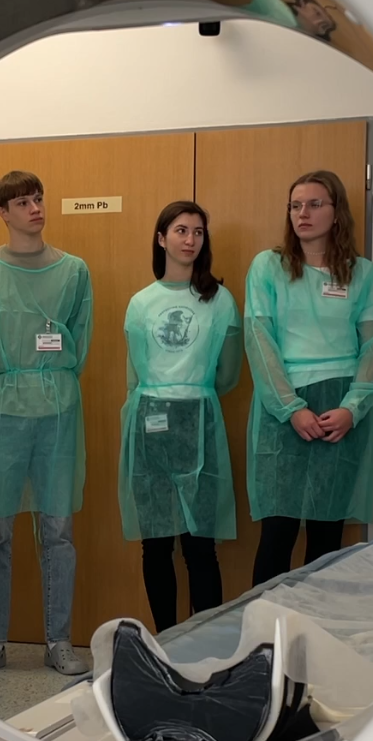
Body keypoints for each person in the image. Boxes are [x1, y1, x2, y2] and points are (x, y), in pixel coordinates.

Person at [0, 171, 93, 677]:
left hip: (56, 411)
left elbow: (79, 344)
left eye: (38, 198)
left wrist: (45, 383)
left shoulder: (74, 271)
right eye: (22, 202)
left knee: (58, 530)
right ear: (2, 212)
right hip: (1, 412)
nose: (35, 208)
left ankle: (59, 640)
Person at [245, 170, 373, 587]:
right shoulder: (268, 267)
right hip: (282, 408)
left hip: (340, 408)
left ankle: (316, 624)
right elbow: (259, 339)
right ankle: (262, 624)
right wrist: (291, 407)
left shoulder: (363, 274)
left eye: (314, 204)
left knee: (327, 537)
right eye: (295, 206)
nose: (302, 214)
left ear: (337, 212)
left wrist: (352, 409)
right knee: (278, 533)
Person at [118, 201, 242, 633]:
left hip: (199, 423)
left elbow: (228, 374)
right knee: (156, 545)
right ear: (161, 238)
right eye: (181, 230)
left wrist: (189, 399)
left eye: (198, 232)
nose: (190, 240)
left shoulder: (220, 300)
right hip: (148, 425)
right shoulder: (141, 303)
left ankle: (205, 641)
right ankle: (167, 640)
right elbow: (134, 375)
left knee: (199, 545)